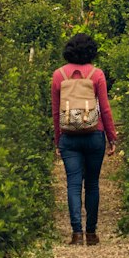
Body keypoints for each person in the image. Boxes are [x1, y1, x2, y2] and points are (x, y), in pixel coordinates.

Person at [51, 32, 117, 245]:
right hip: (94, 134)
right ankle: (91, 233)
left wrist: (57, 140)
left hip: (69, 136)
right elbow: (105, 109)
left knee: (73, 184)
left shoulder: (58, 75)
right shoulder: (97, 74)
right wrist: (112, 137)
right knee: (93, 184)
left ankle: (76, 233)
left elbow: (55, 111)